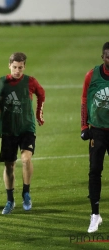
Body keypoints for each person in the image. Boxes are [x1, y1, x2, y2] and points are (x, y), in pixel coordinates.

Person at [0, 52, 45, 215]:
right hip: (9, 129)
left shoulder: (30, 81)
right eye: (15, 67)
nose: (17, 70)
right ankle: (10, 200)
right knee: (9, 165)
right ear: (9, 66)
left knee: (26, 159)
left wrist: (38, 114)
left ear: (24, 67)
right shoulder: (2, 82)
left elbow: (41, 94)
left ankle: (26, 193)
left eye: (20, 67)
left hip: (26, 127)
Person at [80, 42, 109, 233]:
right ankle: (95, 215)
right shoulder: (92, 75)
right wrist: (84, 126)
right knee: (94, 171)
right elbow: (84, 100)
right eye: (108, 56)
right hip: (97, 131)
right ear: (102, 57)